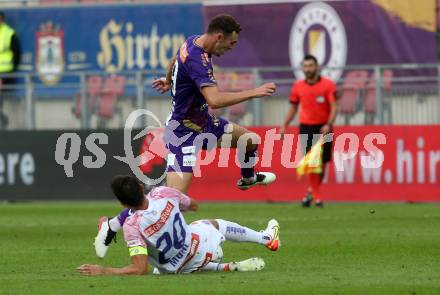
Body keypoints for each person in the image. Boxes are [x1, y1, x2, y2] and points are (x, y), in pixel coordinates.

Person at [94, 14, 277, 258]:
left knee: (250, 141)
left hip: (204, 124)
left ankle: (248, 178)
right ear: (219, 37)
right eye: (231, 44)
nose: (230, 49)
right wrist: (254, 92)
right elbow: (214, 100)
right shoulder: (197, 61)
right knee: (170, 204)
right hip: (184, 134)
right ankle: (112, 225)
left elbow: (174, 58)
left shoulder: (194, 42)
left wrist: (168, 79)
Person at [78, 175, 280, 275]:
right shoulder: (163, 193)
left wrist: (103, 270)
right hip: (198, 247)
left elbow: (139, 269)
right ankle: (267, 239)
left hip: (173, 269)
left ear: (123, 204)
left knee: (158, 270)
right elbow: (194, 206)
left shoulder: (132, 225)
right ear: (141, 187)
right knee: (213, 223)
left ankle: (221, 266)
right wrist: (170, 211)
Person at [280, 54, 337, 208]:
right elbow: (293, 107)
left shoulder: (328, 85)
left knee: (323, 164)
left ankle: (309, 194)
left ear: (317, 67)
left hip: (324, 127)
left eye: (310, 66)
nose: (308, 69)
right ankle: (317, 198)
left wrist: (329, 123)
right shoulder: (298, 86)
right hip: (307, 127)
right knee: (312, 162)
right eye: (305, 66)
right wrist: (285, 124)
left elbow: (333, 106)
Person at [0, 11, 20, 129]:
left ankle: (6, 123)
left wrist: (13, 69)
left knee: (5, 100)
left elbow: (17, 53)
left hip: (5, 73)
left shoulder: (9, 33)